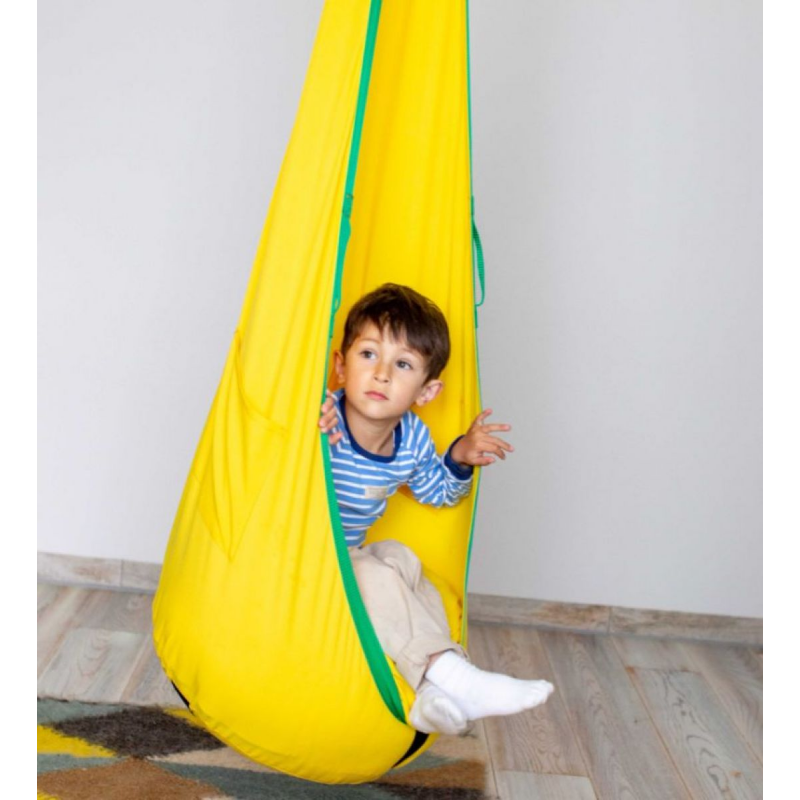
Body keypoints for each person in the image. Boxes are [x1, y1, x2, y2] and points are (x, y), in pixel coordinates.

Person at [318, 283, 554, 735]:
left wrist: (460, 457)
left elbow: (438, 492)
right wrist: (306, 428)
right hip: (301, 562)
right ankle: (456, 675)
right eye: (368, 354)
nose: (381, 374)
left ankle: (429, 694)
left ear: (426, 392)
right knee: (368, 572)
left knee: (400, 559)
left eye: (402, 364)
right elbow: (277, 453)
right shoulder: (325, 416)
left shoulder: (412, 439)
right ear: (341, 366)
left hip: (346, 556)